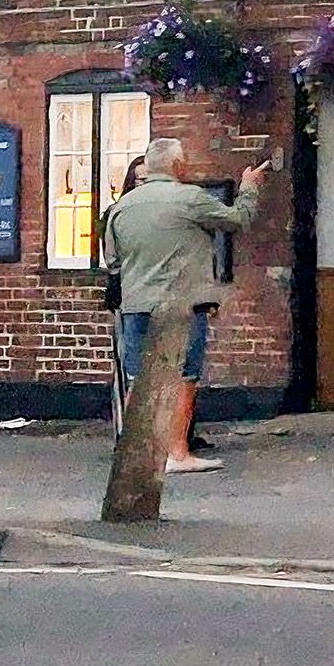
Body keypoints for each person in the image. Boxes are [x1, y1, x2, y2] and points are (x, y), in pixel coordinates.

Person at [103, 134, 269, 475]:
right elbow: (238, 220)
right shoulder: (190, 199)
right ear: (178, 165)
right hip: (183, 303)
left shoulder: (122, 207)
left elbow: (113, 260)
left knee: (137, 376)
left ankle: (139, 454)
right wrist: (249, 186)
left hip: (136, 303)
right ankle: (177, 452)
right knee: (185, 376)